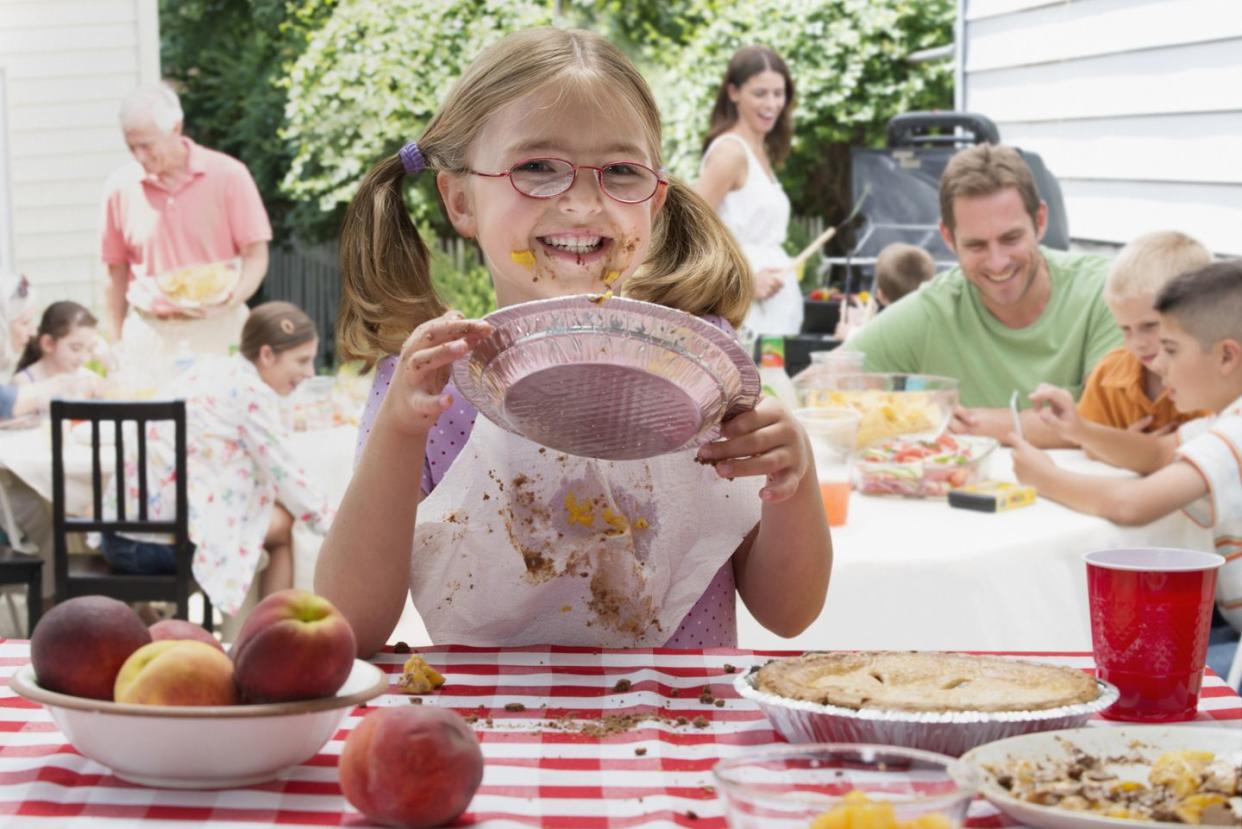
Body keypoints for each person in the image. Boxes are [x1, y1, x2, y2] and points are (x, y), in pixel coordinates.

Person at [315, 28, 831, 657]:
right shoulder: (425, 387)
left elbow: (788, 614)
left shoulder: (701, 366)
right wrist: (399, 431)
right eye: (536, 167)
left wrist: (793, 478)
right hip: (491, 741)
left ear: (657, 200)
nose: (585, 203)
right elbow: (349, 625)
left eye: (621, 170)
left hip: (689, 731)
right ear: (459, 200)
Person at [1011, 262, 1242, 678]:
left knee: (1125, 675)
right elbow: (1157, 454)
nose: (1160, 364)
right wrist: (1080, 429)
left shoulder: (1237, 432)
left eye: (1171, 350)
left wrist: (1044, 477)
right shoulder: (1224, 423)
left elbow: (1132, 504)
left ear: (1227, 356)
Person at [843, 144, 1121, 411]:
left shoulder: (1104, 291)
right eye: (976, 245)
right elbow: (819, 383)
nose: (997, 263)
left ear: (1040, 221)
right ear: (949, 238)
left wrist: (979, 422)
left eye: (1010, 238)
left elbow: (1112, 421)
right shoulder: (934, 310)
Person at [101, 302, 333, 616]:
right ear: (266, 355)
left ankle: (160, 620)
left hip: (116, 540)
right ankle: (268, 632)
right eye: (303, 360)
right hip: (163, 548)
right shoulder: (251, 392)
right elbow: (285, 472)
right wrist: (331, 523)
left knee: (254, 514)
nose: (310, 373)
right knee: (289, 523)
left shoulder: (206, 370)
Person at [100, 83, 272, 362]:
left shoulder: (229, 175)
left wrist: (233, 298)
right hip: (149, 332)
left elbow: (256, 255)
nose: (139, 156)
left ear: (176, 128)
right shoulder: (120, 188)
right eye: (131, 147)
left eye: (146, 145)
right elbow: (115, 273)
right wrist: (116, 341)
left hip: (219, 327)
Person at [1018, 231, 1214, 453]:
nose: (1137, 344)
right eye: (1125, 329)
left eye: (1149, 326)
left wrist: (1146, 453)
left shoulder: (1219, 382)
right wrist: (1123, 448)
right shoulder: (1109, 374)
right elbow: (1088, 446)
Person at [694, 46, 803, 337]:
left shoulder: (760, 152)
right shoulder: (730, 152)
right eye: (760, 93)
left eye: (778, 93)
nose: (771, 103)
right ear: (734, 93)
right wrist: (744, 283)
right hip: (743, 311)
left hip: (772, 315)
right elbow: (687, 230)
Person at [834, 243, 934, 340]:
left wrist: (850, 335)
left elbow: (880, 344)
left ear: (880, 295)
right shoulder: (932, 326)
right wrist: (867, 324)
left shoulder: (884, 337)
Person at [12, 301, 100, 387]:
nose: (83, 358)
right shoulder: (23, 383)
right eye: (75, 348)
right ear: (48, 343)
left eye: (90, 349)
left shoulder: (89, 380)